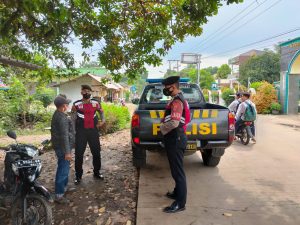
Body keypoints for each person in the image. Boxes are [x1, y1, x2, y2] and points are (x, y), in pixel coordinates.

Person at [160, 76, 190, 213]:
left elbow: (174, 123)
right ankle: (177, 193)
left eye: (166, 87)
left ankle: (180, 203)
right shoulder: (178, 99)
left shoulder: (177, 101)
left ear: (173, 86)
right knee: (175, 169)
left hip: (175, 139)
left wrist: (162, 128)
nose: (165, 90)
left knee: (178, 172)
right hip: (176, 138)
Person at [72, 85, 105, 184]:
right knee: (78, 154)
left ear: (91, 92)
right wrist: (73, 131)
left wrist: (103, 121)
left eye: (88, 91)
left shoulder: (96, 103)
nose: (87, 92)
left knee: (96, 152)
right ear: (81, 92)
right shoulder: (76, 104)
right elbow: (73, 118)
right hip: (81, 132)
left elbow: (101, 112)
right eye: (85, 91)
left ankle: (97, 172)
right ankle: (78, 176)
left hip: (93, 131)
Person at [51, 95, 75, 204]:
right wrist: (67, 152)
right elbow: (64, 135)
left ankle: (63, 188)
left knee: (64, 168)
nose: (68, 105)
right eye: (67, 104)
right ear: (63, 106)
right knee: (63, 170)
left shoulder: (59, 114)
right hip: (63, 148)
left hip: (60, 146)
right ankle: (59, 195)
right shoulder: (61, 118)